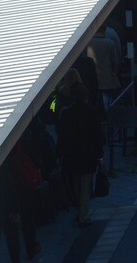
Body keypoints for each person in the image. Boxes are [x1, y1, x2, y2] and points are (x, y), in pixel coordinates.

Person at [57, 82, 104, 226]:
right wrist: (99, 154)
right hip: (87, 155)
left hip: (71, 155)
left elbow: (62, 136)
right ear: (86, 97)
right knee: (85, 185)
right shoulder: (91, 113)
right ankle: (83, 214)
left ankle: (79, 209)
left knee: (75, 185)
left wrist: (59, 154)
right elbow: (97, 136)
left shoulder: (66, 114)